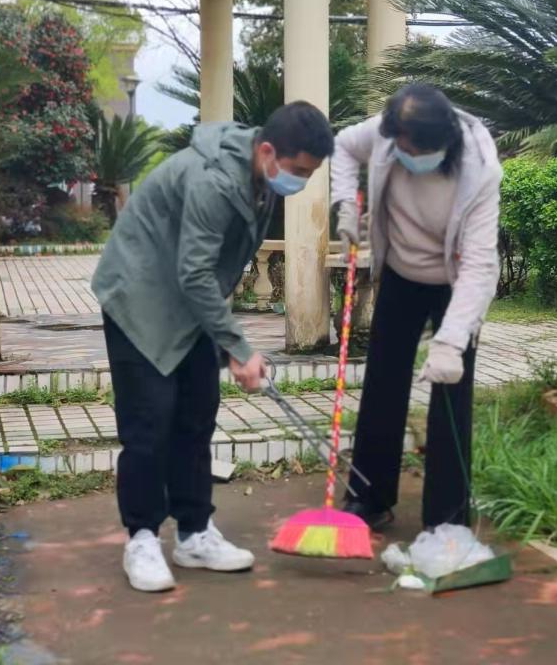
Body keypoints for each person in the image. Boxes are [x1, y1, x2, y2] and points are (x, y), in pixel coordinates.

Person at [92, 101, 334, 592]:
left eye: (310, 174)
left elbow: (206, 273)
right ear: (268, 151)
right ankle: (142, 538)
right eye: (299, 171)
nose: (302, 182)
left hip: (187, 298)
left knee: (197, 415)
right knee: (149, 424)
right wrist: (240, 348)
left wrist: (225, 343)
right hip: (138, 297)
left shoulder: (260, 179)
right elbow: (196, 273)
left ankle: (195, 533)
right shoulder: (212, 181)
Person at [330, 84, 501, 532]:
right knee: (383, 383)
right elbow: (344, 145)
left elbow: (479, 265)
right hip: (401, 273)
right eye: (398, 147)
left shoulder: (480, 170)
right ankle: (368, 497)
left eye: (411, 150)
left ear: (440, 144)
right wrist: (345, 203)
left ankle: (447, 518)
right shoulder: (388, 132)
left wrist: (451, 342)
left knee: (451, 391)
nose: (402, 155)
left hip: (455, 284)